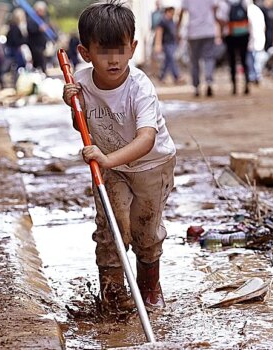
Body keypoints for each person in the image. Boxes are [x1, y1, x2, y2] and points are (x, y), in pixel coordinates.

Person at [62, 0, 176, 313]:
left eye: (120, 49)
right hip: (109, 165)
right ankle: (112, 293)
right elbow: (83, 125)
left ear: (132, 48)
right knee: (112, 227)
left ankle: (149, 285)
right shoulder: (81, 83)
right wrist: (73, 105)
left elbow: (147, 139)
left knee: (145, 228)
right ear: (85, 53)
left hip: (150, 165)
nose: (113, 60)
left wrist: (108, 159)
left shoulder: (139, 86)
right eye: (103, 51)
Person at [178, 0, 219, 97]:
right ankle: (209, 82)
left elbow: (182, 11)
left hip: (194, 31)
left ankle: (196, 87)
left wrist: (178, 27)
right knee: (209, 58)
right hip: (208, 30)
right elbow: (215, 8)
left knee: (194, 61)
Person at [218, 0, 250, 95]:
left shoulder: (224, 4)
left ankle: (234, 86)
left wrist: (221, 32)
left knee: (232, 61)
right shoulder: (244, 2)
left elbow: (221, 19)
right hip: (244, 34)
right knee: (244, 60)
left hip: (230, 35)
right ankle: (246, 82)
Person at [154, 6, 184, 84]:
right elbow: (159, 32)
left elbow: (174, 31)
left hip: (172, 43)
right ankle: (176, 76)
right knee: (172, 59)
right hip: (166, 43)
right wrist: (158, 44)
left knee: (168, 61)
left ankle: (162, 77)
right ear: (167, 12)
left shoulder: (171, 21)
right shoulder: (163, 21)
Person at [27, 1, 51, 73]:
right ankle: (44, 73)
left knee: (38, 63)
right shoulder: (32, 19)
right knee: (40, 60)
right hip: (35, 45)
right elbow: (30, 29)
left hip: (41, 44)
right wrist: (39, 29)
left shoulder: (44, 19)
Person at [6, 8, 28, 84]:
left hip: (14, 48)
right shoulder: (15, 27)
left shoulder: (13, 26)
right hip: (15, 49)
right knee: (19, 66)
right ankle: (18, 82)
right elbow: (15, 40)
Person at [247, 0, 266, 85]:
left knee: (252, 59)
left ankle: (254, 76)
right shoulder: (257, 10)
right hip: (258, 38)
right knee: (255, 59)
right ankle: (256, 75)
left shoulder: (249, 10)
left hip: (253, 38)